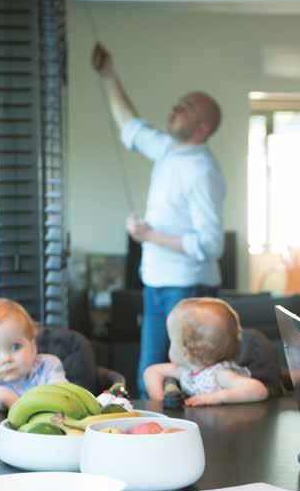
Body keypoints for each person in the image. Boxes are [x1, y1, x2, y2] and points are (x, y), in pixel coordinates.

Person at [91, 43, 226, 398]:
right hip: (157, 281)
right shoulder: (168, 149)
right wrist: (108, 75)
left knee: (188, 378)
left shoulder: (202, 170)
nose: (176, 107)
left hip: (188, 287)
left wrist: (150, 235)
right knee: (149, 373)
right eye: (179, 101)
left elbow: (212, 244)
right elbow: (130, 126)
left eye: (187, 106)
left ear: (202, 127)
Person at [143, 298, 269, 407]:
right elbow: (152, 371)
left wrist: (217, 397)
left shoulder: (219, 374)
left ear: (186, 353)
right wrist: (159, 399)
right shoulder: (185, 370)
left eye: (171, 341)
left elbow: (258, 390)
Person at [0, 299, 66, 411]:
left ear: (33, 347)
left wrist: (14, 402)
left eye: (15, 347)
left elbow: (62, 397)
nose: (6, 359)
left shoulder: (48, 366)